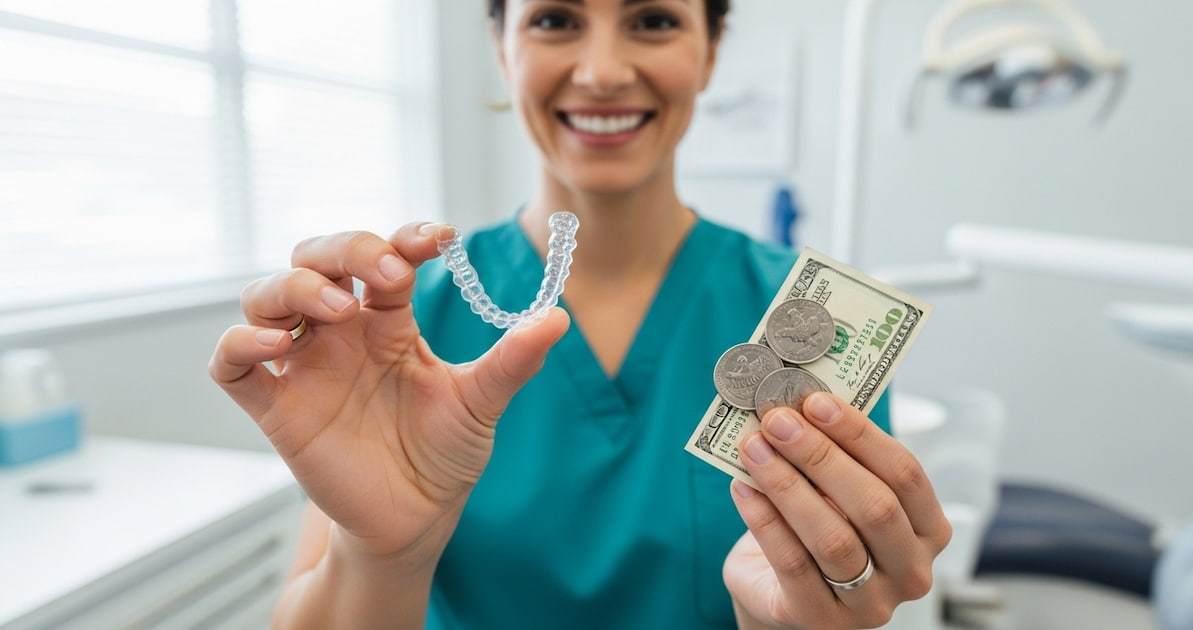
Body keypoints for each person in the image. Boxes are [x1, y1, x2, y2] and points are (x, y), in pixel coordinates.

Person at [208, 1, 951, 628]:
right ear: (501, 48)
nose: (601, 72)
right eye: (556, 19)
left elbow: (834, 585)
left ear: (711, 50)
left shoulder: (807, 322)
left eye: (654, 20)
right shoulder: (396, 326)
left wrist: (797, 618)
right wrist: (381, 552)